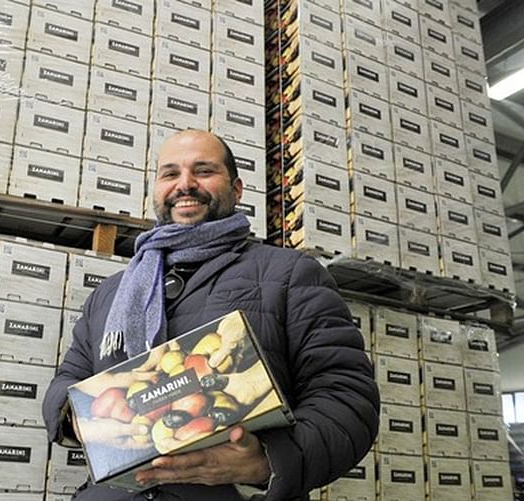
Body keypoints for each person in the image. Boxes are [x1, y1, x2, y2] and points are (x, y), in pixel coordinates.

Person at [42, 129, 380, 500]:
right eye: (170, 174)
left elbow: (346, 397)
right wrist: (77, 418)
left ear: (236, 189)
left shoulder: (291, 274)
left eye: (203, 171)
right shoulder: (111, 293)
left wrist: (267, 463)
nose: (184, 184)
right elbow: (68, 380)